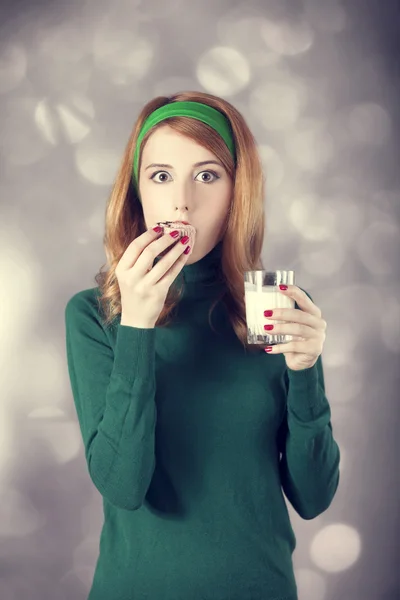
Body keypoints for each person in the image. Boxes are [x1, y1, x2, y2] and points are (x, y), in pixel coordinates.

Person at [65, 90, 341, 600]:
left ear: (240, 191)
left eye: (208, 175)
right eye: (161, 175)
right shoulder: (94, 313)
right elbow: (123, 486)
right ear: (138, 193)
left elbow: (314, 496)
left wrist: (306, 371)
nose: (182, 201)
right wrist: (138, 326)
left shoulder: (272, 306)